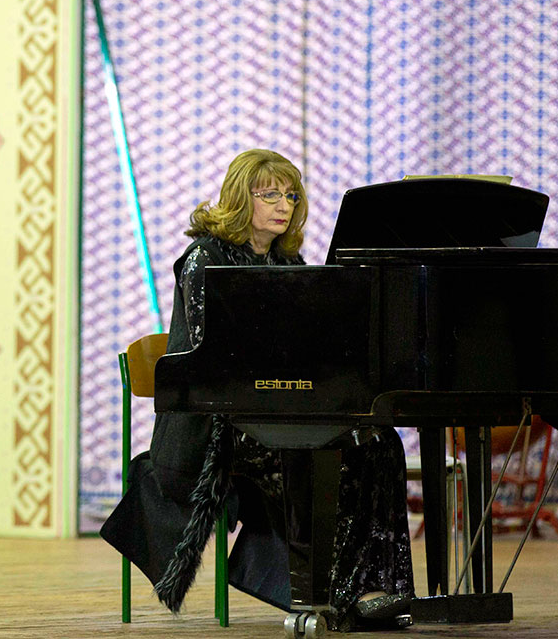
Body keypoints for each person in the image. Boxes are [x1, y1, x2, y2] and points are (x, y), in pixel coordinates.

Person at [101, 149, 414, 632]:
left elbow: (307, 351)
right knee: (327, 454)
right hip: (213, 427)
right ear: (239, 197)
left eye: (291, 196)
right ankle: (332, 594)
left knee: (378, 443)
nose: (284, 205)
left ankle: (374, 588)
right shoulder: (206, 258)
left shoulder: (289, 261)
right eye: (270, 194)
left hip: (274, 414)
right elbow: (216, 362)